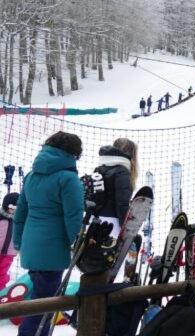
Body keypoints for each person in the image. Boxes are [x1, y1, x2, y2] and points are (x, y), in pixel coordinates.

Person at [13, 132, 84, 336]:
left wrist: (18, 241)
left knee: (39, 300)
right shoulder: (68, 179)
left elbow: (21, 213)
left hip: (31, 246)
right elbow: (73, 217)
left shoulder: (31, 175)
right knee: (43, 306)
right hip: (52, 250)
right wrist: (77, 244)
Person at [94, 139, 139, 238]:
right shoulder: (122, 171)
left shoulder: (100, 168)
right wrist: (126, 229)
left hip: (96, 219)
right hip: (113, 222)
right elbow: (121, 203)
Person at [0, 192, 19, 289]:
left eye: (16, 208)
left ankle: (1, 289)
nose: (13, 210)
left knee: (2, 272)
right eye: (12, 207)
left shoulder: (18, 221)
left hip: (9, 253)